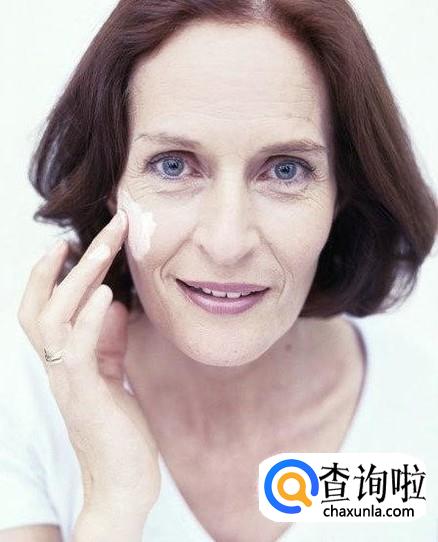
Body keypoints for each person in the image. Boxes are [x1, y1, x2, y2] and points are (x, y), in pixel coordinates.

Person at [1, 1, 436, 541]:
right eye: (173, 165)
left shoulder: (425, 413)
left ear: (340, 193)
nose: (227, 243)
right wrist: (114, 503)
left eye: (285, 170)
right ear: (111, 183)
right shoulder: (23, 406)